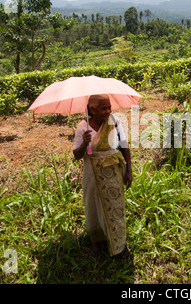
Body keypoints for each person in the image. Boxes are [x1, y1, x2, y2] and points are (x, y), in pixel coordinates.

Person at [73, 94, 132, 259]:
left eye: (109, 107)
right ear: (92, 110)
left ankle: (120, 242)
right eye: (103, 108)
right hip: (92, 173)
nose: (108, 111)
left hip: (113, 172)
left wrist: (129, 171)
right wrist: (85, 143)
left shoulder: (115, 122)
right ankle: (96, 241)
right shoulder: (83, 127)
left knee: (116, 207)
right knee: (93, 206)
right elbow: (77, 155)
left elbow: (124, 146)